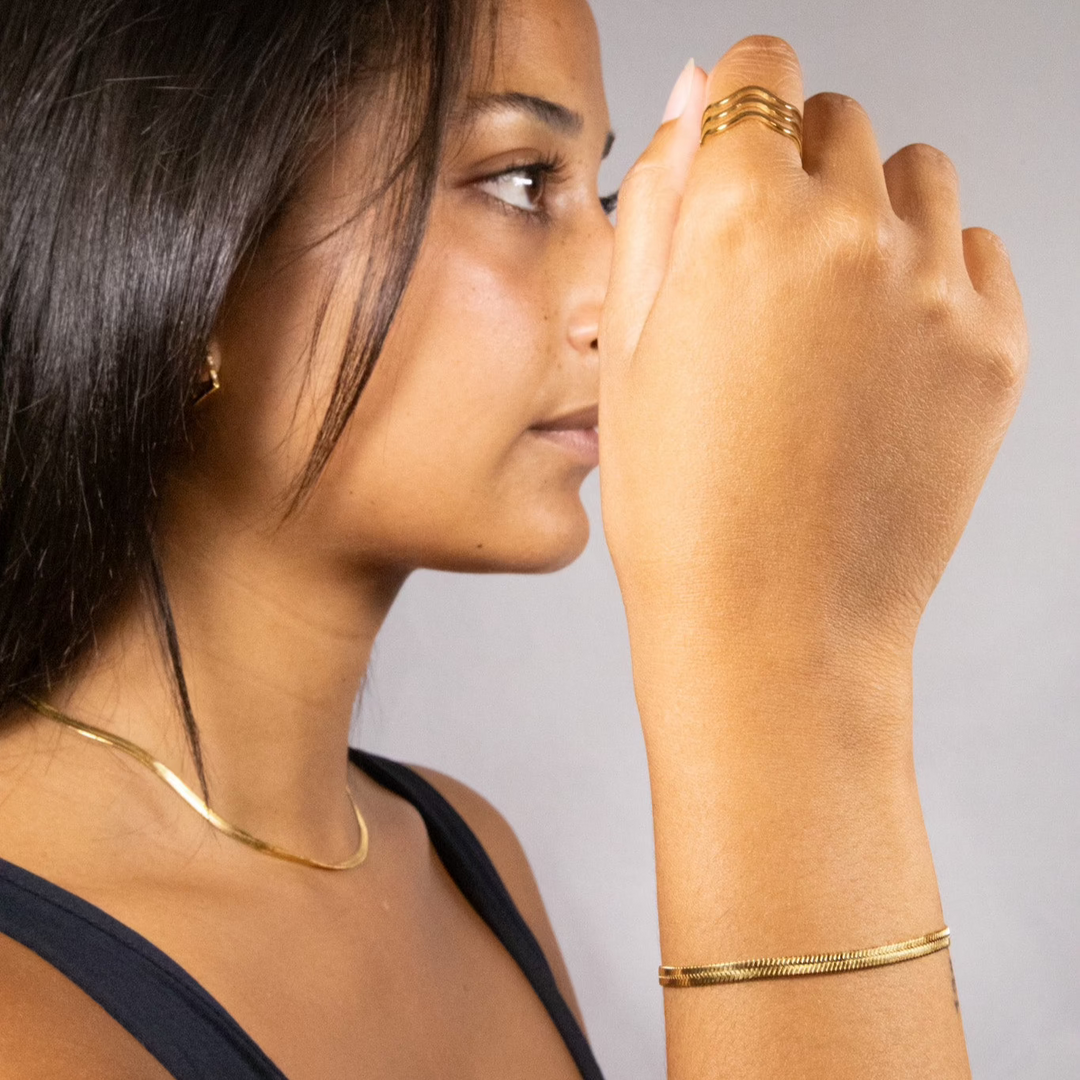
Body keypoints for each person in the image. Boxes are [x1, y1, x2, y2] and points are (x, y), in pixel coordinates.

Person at [0, 0, 1028, 1076]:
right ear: (185, 240)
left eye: (603, 191)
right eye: (520, 182)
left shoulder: (458, 853)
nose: (619, 287)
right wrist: (790, 657)